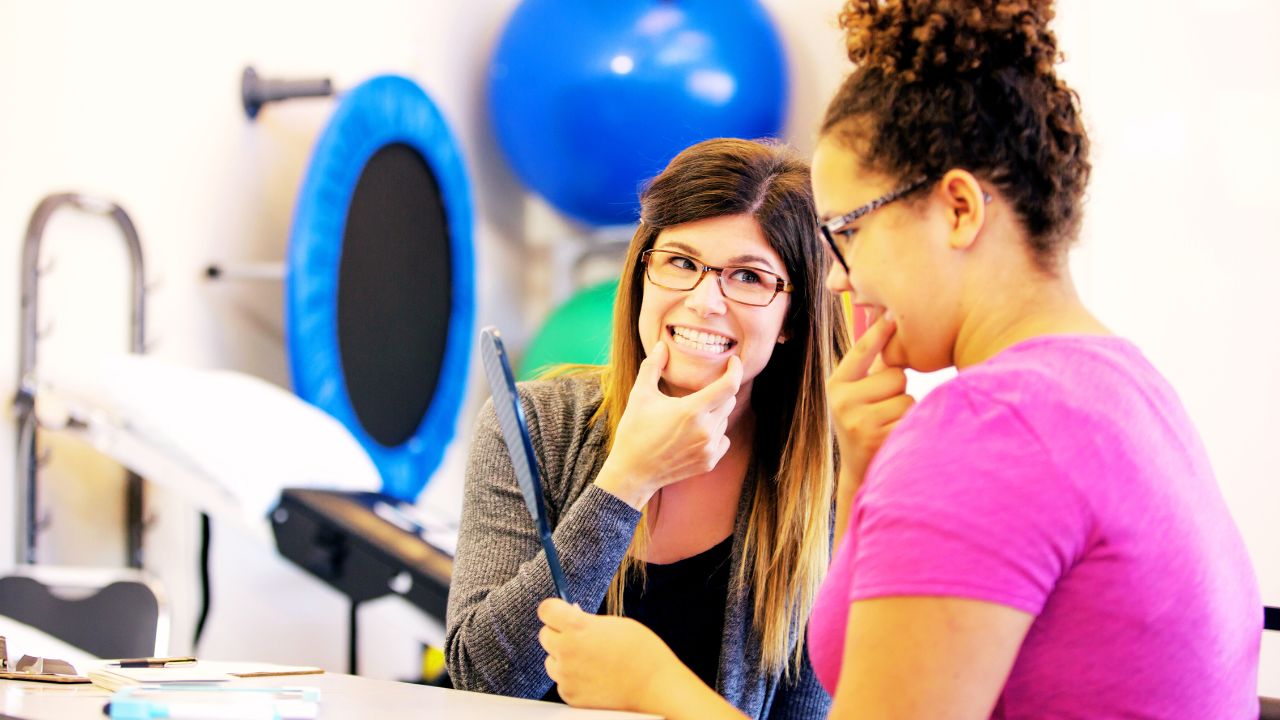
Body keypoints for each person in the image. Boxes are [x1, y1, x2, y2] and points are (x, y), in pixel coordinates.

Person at [536, 1, 1262, 718]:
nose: (841, 279)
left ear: (958, 210)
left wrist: (654, 686)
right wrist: (863, 473)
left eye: (847, 232)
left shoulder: (989, 431)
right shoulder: (1118, 382)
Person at [446, 138, 842, 718]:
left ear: (792, 317)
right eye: (681, 262)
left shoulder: (824, 475)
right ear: (641, 275)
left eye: (749, 277)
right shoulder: (538, 423)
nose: (706, 301)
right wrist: (626, 482)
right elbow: (481, 680)